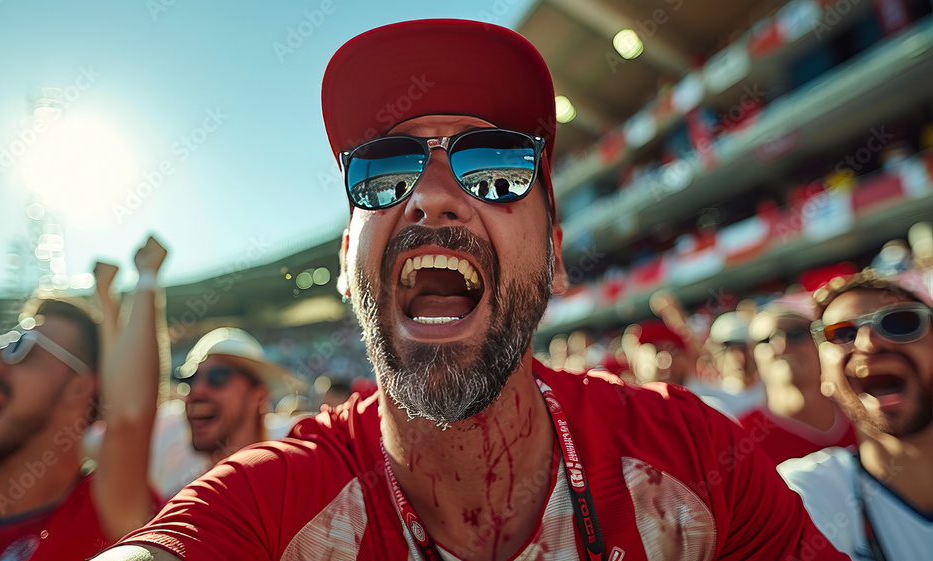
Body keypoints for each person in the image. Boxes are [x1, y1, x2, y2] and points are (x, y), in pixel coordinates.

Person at [98, 19, 847, 560]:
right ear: (347, 264)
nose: (431, 196)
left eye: (495, 167)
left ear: (554, 259)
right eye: (384, 171)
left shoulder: (698, 457)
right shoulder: (272, 502)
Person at [0, 237, 166, 560]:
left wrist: (145, 277)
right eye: (1, 343)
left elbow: (128, 419)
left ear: (80, 388)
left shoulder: (104, 517)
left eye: (20, 347)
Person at [779, 271, 933, 559]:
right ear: (825, 376)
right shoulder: (804, 494)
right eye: (841, 333)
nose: (868, 342)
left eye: (900, 323)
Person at [148, 327, 304, 499]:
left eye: (218, 377)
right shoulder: (167, 448)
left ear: (259, 396)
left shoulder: (295, 455)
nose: (197, 390)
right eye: (189, 379)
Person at [739, 305, 856, 464]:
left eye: (795, 334)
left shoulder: (863, 409)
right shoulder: (741, 437)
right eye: (765, 340)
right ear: (753, 354)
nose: (781, 346)